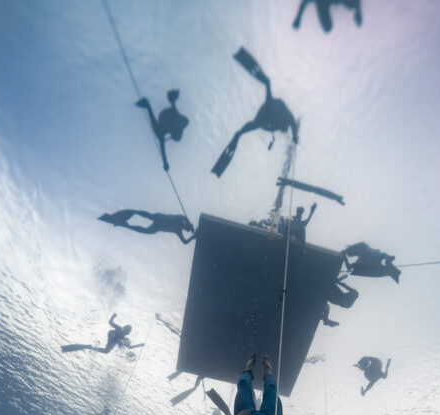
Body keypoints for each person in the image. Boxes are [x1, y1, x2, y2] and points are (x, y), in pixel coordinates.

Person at [212, 48, 299, 177]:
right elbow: (255, 124)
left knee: (267, 86)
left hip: (266, 116)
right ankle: (241, 56)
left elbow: (254, 124)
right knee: (268, 83)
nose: (282, 128)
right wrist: (239, 134)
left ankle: (241, 56)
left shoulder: (280, 120)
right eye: (282, 127)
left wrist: (240, 133)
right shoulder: (279, 115)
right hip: (268, 112)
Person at [135, 89, 189, 172]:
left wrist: (165, 162)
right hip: (167, 116)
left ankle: (149, 105)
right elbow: (162, 146)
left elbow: (162, 145)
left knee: (159, 133)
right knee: (162, 133)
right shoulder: (181, 124)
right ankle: (171, 100)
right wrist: (165, 162)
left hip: (165, 118)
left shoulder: (167, 131)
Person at [98, 209, 196, 245]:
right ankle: (132, 212)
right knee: (148, 216)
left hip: (158, 227)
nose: (185, 228)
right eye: (187, 227)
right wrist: (190, 225)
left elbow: (184, 242)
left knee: (146, 231)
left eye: (187, 229)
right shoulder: (180, 220)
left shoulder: (178, 230)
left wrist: (193, 236)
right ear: (186, 225)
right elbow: (183, 217)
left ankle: (126, 225)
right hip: (160, 218)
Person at [61, 315, 143, 355]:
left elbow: (110, 322)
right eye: (129, 331)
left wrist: (113, 316)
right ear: (126, 330)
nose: (129, 333)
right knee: (107, 350)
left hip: (112, 336)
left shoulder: (120, 330)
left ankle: (90, 347)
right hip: (113, 338)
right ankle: (90, 347)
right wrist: (140, 345)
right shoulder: (122, 334)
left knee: (121, 344)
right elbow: (129, 347)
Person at [293, 0, 363, 31]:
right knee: (327, 28)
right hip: (322, 3)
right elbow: (304, 2)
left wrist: (358, 11)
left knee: (327, 27)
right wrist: (298, 18)